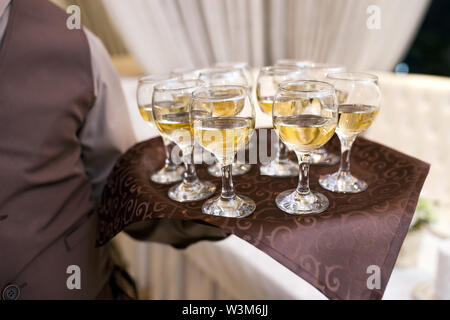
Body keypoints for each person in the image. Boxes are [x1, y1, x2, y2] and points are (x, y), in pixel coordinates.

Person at [0, 0, 226, 300]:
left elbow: (117, 189)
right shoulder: (76, 40)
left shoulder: (77, 44)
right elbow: (116, 188)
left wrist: (226, 208)